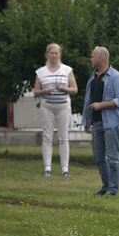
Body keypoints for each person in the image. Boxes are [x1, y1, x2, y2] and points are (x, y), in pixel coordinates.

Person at [82, 47, 119, 197]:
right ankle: (105, 187)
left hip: (112, 123)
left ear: (101, 58)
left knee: (113, 158)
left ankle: (113, 190)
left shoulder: (116, 76)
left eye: (92, 56)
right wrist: (87, 119)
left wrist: (101, 105)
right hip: (96, 123)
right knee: (99, 158)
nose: (91, 59)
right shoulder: (93, 76)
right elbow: (88, 100)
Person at [34, 43, 78, 177]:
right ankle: (47, 168)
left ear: (60, 54)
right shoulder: (41, 71)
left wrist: (63, 89)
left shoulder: (67, 70)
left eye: (56, 53)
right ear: (47, 54)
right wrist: (44, 91)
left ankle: (65, 168)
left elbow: (74, 89)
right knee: (47, 137)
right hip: (47, 106)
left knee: (63, 137)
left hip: (63, 105)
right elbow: (36, 91)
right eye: (51, 53)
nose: (54, 56)